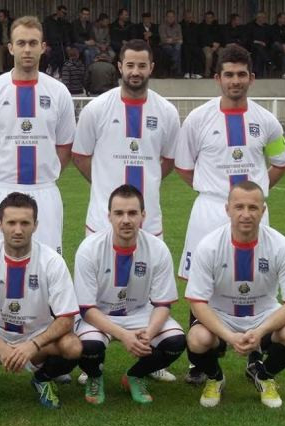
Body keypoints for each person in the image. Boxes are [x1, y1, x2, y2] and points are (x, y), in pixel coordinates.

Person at [175, 44, 285, 384]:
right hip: (210, 209)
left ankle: (254, 352)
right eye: (229, 74)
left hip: (253, 215)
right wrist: (220, 197)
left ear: (251, 78)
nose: (235, 81)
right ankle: (202, 363)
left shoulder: (266, 121)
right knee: (200, 283)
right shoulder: (198, 119)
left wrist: (255, 196)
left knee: (255, 276)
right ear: (218, 78)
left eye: (241, 74)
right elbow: (184, 166)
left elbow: (282, 162)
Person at [72, 39, 180, 383]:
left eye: (141, 65)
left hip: (148, 221)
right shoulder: (97, 109)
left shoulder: (166, 111)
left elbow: (168, 160)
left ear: (151, 68)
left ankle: (152, 359)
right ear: (119, 67)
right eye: (129, 65)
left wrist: (140, 197)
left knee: (147, 293)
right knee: (97, 293)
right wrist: (110, 196)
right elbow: (81, 156)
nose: (135, 71)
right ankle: (93, 360)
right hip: (102, 221)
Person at [0, 193, 82, 409]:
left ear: (35, 225)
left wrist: (33, 345)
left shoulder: (52, 261)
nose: (18, 230)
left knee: (73, 346)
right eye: (11, 223)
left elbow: (66, 319)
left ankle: (42, 379)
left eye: (25, 223)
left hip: (35, 334)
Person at [185, 181, 285, 408]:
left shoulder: (281, 246)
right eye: (239, 207)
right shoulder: (209, 246)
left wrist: (260, 332)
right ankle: (215, 378)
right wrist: (230, 337)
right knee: (197, 339)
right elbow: (197, 302)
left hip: (263, 318)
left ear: (263, 210)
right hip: (222, 317)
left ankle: (264, 376)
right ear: (227, 209)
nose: (246, 214)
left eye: (253, 207)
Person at [75, 185, 185, 405]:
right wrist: (124, 336)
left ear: (143, 215)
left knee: (175, 341)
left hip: (139, 313)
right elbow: (86, 308)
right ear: (109, 216)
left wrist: (149, 334)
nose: (126, 220)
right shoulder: (89, 249)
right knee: (88, 346)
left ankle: (135, 375)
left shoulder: (157, 248)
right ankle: (95, 376)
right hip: (99, 314)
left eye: (132, 213)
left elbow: (163, 304)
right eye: (119, 213)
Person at [0, 16, 75, 255]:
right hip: (1, 189)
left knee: (47, 265)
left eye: (33, 43)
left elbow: (65, 146)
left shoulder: (59, 92)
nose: (27, 49)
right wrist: (2, 173)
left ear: (43, 47)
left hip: (45, 191)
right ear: (11, 48)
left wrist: (46, 174)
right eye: (21, 43)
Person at [42, 5, 71, 77]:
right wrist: (46, 44)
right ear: (58, 11)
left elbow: (66, 34)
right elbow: (44, 33)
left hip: (60, 44)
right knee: (50, 58)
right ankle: (50, 73)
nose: (64, 15)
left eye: (65, 13)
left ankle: (60, 74)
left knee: (62, 57)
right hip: (50, 44)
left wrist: (68, 45)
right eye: (63, 12)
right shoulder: (48, 20)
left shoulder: (63, 22)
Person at [247, 12, 272, 78]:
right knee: (258, 48)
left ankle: (257, 73)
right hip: (252, 46)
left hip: (264, 47)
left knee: (259, 53)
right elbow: (247, 38)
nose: (264, 19)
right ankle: (268, 61)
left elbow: (270, 38)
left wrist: (265, 43)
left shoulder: (267, 27)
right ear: (258, 18)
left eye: (265, 18)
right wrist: (258, 42)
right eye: (262, 17)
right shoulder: (250, 26)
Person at [159, 10, 182, 77]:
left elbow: (180, 38)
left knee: (178, 47)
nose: (171, 18)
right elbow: (163, 39)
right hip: (165, 45)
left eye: (172, 16)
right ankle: (176, 69)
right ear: (166, 17)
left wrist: (171, 39)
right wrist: (175, 39)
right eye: (169, 16)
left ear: (174, 17)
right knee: (174, 49)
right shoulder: (162, 26)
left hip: (175, 45)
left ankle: (173, 65)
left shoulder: (178, 26)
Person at [181, 10, 203, 79]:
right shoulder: (180, 25)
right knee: (187, 51)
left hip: (194, 44)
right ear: (184, 17)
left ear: (192, 17)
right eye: (187, 17)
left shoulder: (196, 26)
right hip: (184, 44)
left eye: (190, 17)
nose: (188, 18)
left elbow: (199, 37)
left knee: (198, 51)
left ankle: (196, 72)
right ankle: (187, 72)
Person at [199, 11, 222, 78]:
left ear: (213, 18)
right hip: (206, 46)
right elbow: (202, 39)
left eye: (210, 17)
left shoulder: (217, 26)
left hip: (217, 46)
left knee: (223, 54)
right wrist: (212, 44)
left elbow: (221, 36)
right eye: (207, 17)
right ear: (205, 18)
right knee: (209, 55)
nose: (208, 19)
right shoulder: (201, 26)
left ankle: (217, 72)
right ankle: (207, 73)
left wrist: (218, 44)